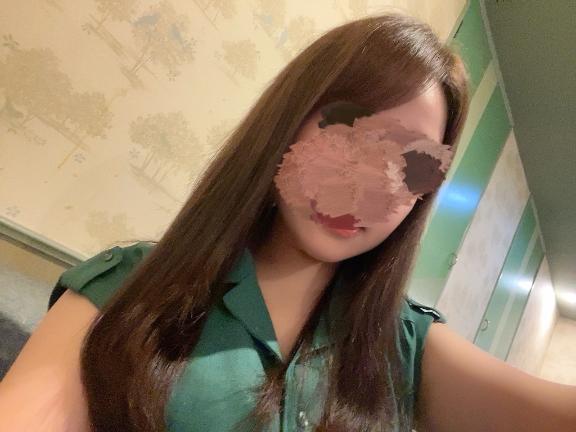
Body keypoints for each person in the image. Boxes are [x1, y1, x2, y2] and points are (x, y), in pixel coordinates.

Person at [0, 12, 575, 432]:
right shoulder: (129, 288)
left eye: (411, 164)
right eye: (345, 130)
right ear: (287, 124)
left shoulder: (403, 347)